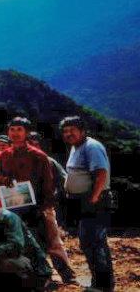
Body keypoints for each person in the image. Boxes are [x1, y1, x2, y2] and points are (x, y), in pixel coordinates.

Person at [0, 116, 75, 283]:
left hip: (39, 206)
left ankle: (67, 277)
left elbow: (48, 182)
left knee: (52, 242)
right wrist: (4, 180)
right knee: (26, 244)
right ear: (8, 132)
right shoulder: (4, 156)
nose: (15, 133)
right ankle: (37, 278)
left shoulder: (38, 156)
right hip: (15, 207)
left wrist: (46, 207)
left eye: (19, 130)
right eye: (12, 129)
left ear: (26, 133)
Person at [62, 116, 114, 291]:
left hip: (95, 201)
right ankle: (102, 283)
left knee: (92, 242)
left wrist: (93, 199)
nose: (69, 134)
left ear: (82, 131)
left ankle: (102, 285)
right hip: (84, 202)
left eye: (72, 130)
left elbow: (101, 173)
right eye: (66, 131)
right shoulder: (76, 147)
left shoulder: (91, 146)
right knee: (93, 242)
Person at [0, 189, 52, 291]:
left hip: (32, 266)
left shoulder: (9, 218)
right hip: (5, 264)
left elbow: (17, 246)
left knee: (6, 263)